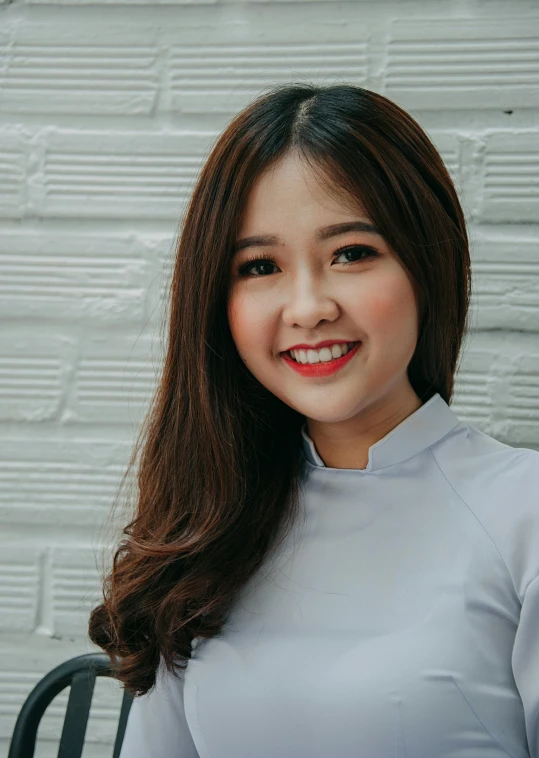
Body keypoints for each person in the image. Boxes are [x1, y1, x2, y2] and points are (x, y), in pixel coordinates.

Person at [89, 83, 539, 758]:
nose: (307, 307)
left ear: (426, 261)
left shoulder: (521, 513)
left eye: (351, 253)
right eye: (260, 266)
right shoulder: (204, 532)